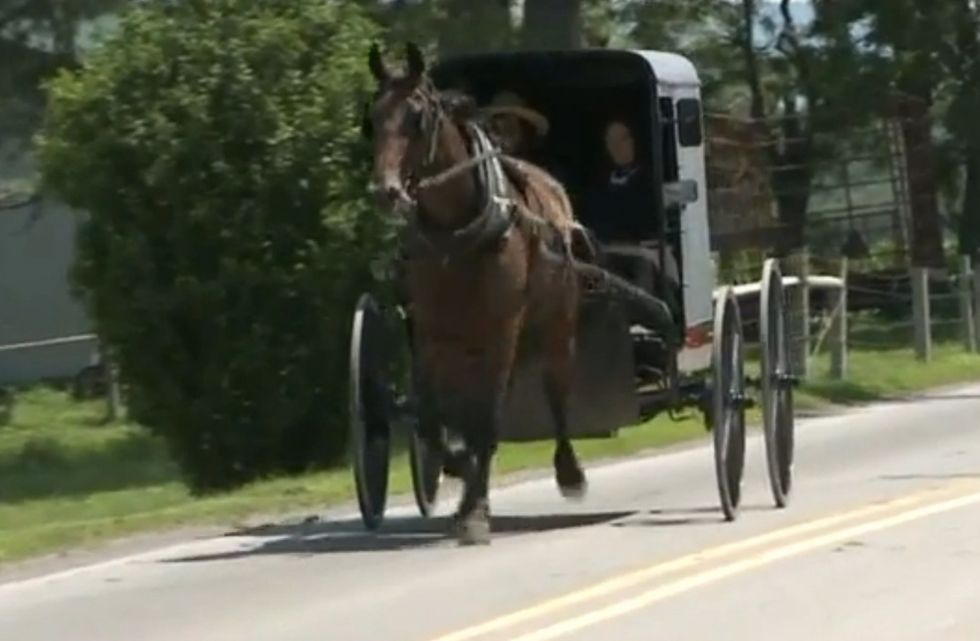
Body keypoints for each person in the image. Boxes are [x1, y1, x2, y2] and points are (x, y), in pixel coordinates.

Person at [586, 120, 680, 304]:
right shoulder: (600, 184)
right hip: (607, 248)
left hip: (645, 249)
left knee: (642, 267)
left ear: (633, 141)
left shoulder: (650, 178)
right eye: (611, 141)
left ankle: (649, 317)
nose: (617, 147)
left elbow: (648, 219)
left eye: (622, 139)